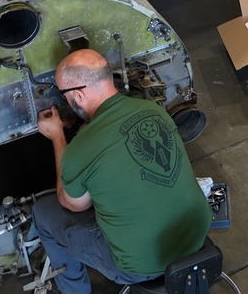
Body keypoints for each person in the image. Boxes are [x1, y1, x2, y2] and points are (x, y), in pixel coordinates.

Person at [33, 49, 211, 293]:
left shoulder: (80, 149)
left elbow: (73, 205)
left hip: (141, 265)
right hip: (196, 236)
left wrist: (57, 136)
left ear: (78, 94)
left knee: (43, 212)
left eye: (66, 96)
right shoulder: (154, 111)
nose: (66, 102)